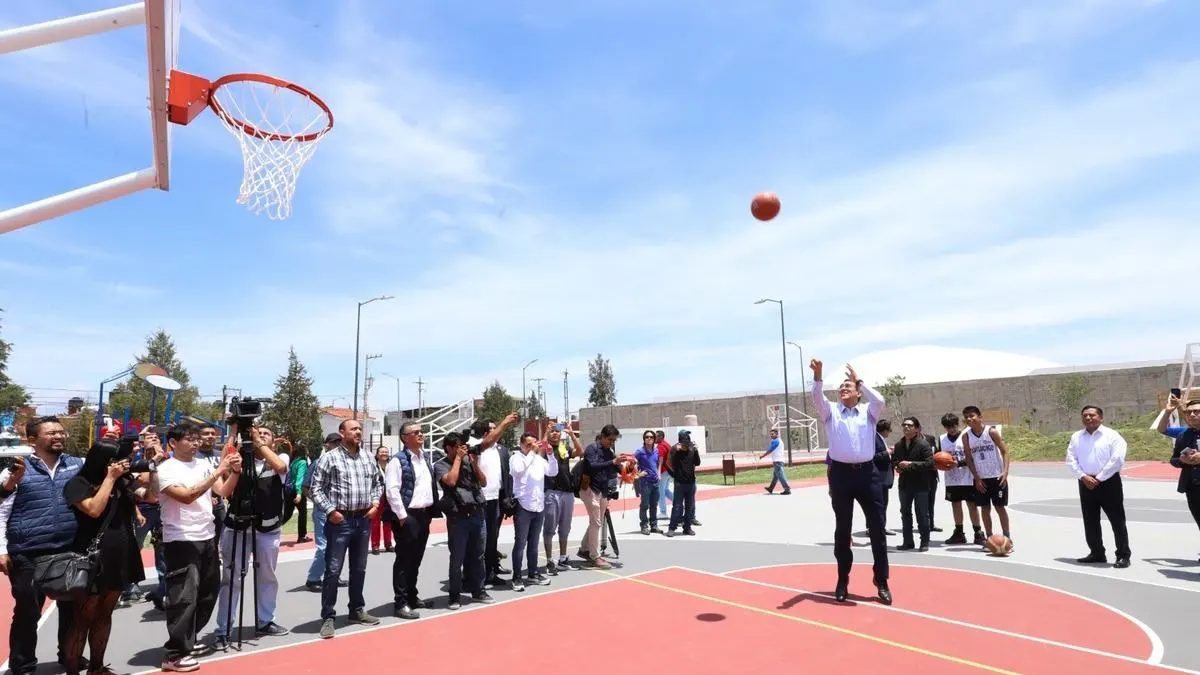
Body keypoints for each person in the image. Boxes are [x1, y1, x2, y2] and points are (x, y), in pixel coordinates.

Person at [0, 416, 85, 675]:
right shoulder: (15, 470)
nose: (58, 436)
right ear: (32, 439)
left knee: (71, 609)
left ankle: (69, 657)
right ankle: (23, 666)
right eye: (51, 433)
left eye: (61, 432)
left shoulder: (76, 465)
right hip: (27, 553)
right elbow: (1, 511)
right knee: (28, 612)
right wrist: (2, 550)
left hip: (68, 550)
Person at [156, 422, 241, 672]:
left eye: (196, 439)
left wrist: (234, 472)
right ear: (173, 443)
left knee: (208, 592)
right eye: (189, 439)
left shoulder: (203, 465)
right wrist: (219, 471)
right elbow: (186, 495)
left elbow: (223, 491)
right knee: (183, 597)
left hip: (207, 536)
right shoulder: (167, 469)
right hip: (181, 539)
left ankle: (187, 641)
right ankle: (174, 654)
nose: (195, 443)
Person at [61, 439, 148, 675]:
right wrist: (109, 479)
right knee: (82, 618)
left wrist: (155, 465)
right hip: (91, 556)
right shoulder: (78, 483)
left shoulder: (123, 481)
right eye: (115, 460)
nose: (120, 465)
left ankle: (97, 668)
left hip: (120, 552)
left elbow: (150, 496)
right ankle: (72, 669)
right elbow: (93, 510)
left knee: (104, 614)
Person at [809, 359, 891, 605]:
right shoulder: (831, 411)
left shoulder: (869, 411)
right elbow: (817, 397)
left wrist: (860, 380)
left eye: (848, 386)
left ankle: (882, 580)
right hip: (841, 476)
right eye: (841, 387)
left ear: (857, 392)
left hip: (868, 474)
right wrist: (819, 375)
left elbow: (880, 400)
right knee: (842, 529)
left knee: (877, 528)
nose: (843, 388)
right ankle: (843, 578)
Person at [212, 426, 291, 651]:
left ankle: (265, 621)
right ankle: (223, 629)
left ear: (273, 441)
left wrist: (258, 443)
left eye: (266, 434)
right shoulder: (238, 458)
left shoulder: (279, 457)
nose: (261, 435)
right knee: (231, 578)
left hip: (267, 528)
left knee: (267, 576)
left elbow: (281, 467)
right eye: (258, 432)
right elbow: (224, 468)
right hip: (237, 526)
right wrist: (234, 430)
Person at [309, 419, 384, 639]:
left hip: (363, 520)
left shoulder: (369, 457)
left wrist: (375, 504)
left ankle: (356, 610)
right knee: (333, 570)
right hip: (339, 522)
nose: (359, 432)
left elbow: (378, 483)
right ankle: (328, 616)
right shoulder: (330, 458)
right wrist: (331, 511)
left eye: (360, 429)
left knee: (359, 568)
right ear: (342, 433)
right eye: (354, 429)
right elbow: (316, 488)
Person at [436, 413, 518, 609]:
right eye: (457, 447)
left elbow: (483, 478)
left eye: (462, 446)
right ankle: (454, 595)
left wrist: (504, 423)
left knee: (478, 556)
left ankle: (478, 590)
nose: (462, 449)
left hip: (477, 514)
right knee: (457, 558)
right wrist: (458, 459)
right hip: (458, 518)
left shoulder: (469, 458)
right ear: (449, 448)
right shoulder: (440, 465)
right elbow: (450, 481)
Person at [382, 422, 441, 619]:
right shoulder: (397, 461)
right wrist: (401, 515)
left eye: (421, 431)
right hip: (407, 516)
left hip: (423, 515)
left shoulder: (424, 458)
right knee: (404, 560)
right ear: (404, 438)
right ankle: (401, 602)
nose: (420, 434)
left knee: (416, 559)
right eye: (415, 432)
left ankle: (412, 596)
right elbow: (391, 490)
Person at [1066, 405, 1130, 568]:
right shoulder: (1076, 437)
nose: (1088, 418)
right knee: (1090, 520)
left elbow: (1117, 459)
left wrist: (1099, 478)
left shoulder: (1112, 436)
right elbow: (1071, 459)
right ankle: (1097, 552)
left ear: (1101, 417)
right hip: (1085, 482)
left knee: (1117, 521)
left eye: (1092, 415)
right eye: (1085, 415)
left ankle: (1123, 555)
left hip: (1108, 483)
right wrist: (1083, 476)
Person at [961, 406, 1013, 548]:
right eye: (966, 417)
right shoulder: (966, 436)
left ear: (980, 416)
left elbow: (1005, 451)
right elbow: (969, 459)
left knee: (1000, 507)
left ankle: (1007, 537)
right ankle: (989, 538)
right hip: (981, 479)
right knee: (985, 509)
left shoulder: (991, 431)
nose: (969, 419)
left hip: (997, 477)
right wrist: (976, 478)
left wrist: (1005, 472)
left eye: (972, 415)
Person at [304, 433, 346, 592]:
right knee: (324, 546)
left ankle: (333, 575)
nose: (337, 445)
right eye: (334, 442)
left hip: (339, 511)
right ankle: (313, 578)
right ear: (326, 444)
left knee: (337, 546)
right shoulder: (318, 462)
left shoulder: (343, 462)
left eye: (339, 442)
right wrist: (320, 504)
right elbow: (306, 488)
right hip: (323, 511)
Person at [509, 432, 551, 591]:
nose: (532, 447)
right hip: (523, 505)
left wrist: (551, 455)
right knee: (520, 543)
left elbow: (552, 471)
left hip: (538, 505)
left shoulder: (538, 459)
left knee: (534, 543)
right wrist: (532, 452)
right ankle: (517, 576)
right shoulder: (516, 458)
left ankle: (533, 573)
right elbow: (518, 471)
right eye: (528, 444)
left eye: (534, 444)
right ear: (521, 444)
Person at [938, 413, 985, 546]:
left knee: (972, 505)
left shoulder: (967, 435)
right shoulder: (941, 439)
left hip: (968, 477)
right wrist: (940, 463)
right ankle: (959, 532)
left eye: (953, 426)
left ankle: (978, 532)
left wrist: (958, 463)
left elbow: (973, 457)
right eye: (948, 427)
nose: (951, 429)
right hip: (952, 479)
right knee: (955, 504)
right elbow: (938, 457)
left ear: (958, 424)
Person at [543, 422, 584, 574]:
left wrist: (572, 434)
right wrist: (545, 433)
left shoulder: (563, 448)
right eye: (552, 431)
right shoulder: (544, 448)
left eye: (557, 432)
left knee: (565, 528)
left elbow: (580, 452)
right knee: (549, 528)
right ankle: (549, 561)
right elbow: (537, 449)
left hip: (567, 492)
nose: (555, 434)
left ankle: (562, 558)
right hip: (551, 492)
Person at [580, 425, 621, 566]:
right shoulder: (592, 448)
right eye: (610, 439)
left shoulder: (609, 450)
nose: (612, 442)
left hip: (602, 490)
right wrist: (612, 462)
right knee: (596, 522)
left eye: (614, 440)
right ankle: (595, 556)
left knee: (596, 522)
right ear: (602, 436)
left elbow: (615, 468)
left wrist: (628, 468)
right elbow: (592, 466)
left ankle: (584, 549)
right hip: (590, 489)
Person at [892, 417, 934, 551]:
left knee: (922, 514)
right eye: (904, 425)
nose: (906, 427)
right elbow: (894, 460)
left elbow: (929, 464)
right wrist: (897, 466)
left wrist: (910, 464)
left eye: (909, 425)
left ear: (916, 429)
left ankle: (924, 542)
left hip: (921, 485)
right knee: (905, 513)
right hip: (904, 485)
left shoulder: (923, 444)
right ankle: (908, 542)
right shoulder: (899, 445)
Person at [1170, 399, 1200, 552]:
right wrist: (1182, 461)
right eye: (1189, 412)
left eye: (1196, 411)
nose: (1192, 415)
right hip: (1192, 487)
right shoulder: (1183, 435)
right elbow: (1173, 459)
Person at [666, 430, 700, 537]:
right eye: (685, 439)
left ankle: (687, 527)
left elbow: (697, 463)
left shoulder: (692, 449)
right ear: (680, 440)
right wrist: (675, 474)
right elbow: (668, 463)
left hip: (691, 482)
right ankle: (672, 528)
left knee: (689, 506)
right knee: (677, 506)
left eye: (688, 439)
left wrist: (696, 450)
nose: (686, 443)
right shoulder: (675, 449)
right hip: (679, 482)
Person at [634, 430, 662, 533]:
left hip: (655, 482)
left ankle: (654, 526)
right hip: (645, 482)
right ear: (644, 439)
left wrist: (658, 474)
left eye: (651, 437)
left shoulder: (656, 451)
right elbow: (631, 462)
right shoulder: (640, 452)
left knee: (654, 505)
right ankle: (644, 526)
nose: (649, 439)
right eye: (647, 437)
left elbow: (658, 462)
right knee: (644, 505)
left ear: (654, 439)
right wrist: (638, 474)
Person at [874, 420, 894, 536]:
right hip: (878, 477)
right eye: (889, 430)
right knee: (879, 504)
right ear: (885, 430)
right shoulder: (874, 439)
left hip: (884, 478)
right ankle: (875, 527)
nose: (889, 433)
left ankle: (881, 526)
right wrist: (887, 453)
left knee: (883, 503)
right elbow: (872, 456)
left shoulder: (880, 439)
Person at [761, 429, 791, 495]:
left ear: (777, 434)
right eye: (771, 434)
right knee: (776, 476)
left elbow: (770, 450)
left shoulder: (776, 441)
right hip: (778, 460)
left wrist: (763, 456)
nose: (771, 435)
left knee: (780, 475)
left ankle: (787, 489)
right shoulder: (777, 440)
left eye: (773, 434)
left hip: (778, 461)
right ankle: (771, 488)